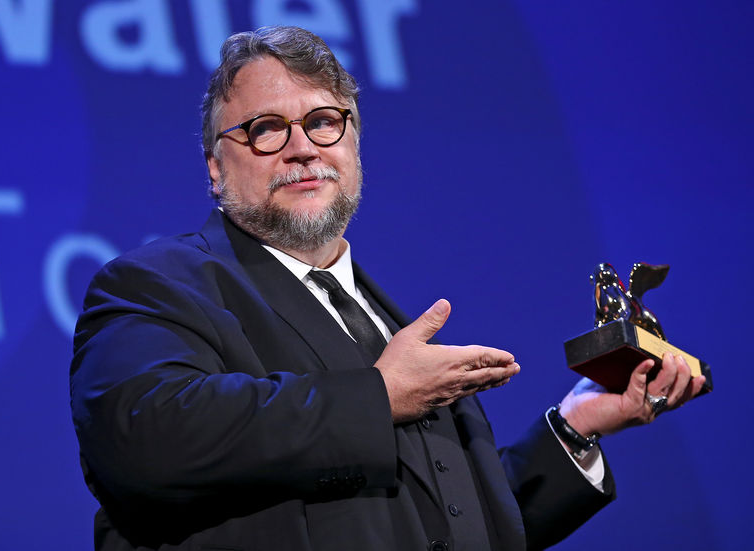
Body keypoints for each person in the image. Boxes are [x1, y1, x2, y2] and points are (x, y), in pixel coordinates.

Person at [70, 26, 704, 551]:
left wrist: (573, 428)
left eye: (324, 121)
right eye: (265, 129)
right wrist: (376, 397)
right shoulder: (156, 284)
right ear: (215, 166)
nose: (301, 147)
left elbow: (444, 526)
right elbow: (144, 440)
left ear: (353, 145)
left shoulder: (376, 314)